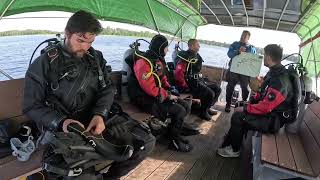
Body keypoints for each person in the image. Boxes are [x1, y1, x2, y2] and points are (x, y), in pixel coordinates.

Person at [23, 10, 155, 179]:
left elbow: (107, 89)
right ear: (67, 33)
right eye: (80, 40)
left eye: (90, 42)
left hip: (97, 120)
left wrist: (100, 114)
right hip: (65, 127)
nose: (85, 47)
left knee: (145, 142)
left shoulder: (95, 57)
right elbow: (31, 106)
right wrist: (61, 122)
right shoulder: (43, 63)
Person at [217, 44, 298, 158]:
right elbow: (263, 91)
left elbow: (266, 107)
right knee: (240, 104)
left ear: (269, 57)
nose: (263, 58)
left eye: (264, 56)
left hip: (273, 120)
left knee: (238, 117)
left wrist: (246, 108)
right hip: (269, 113)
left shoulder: (280, 81)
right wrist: (250, 101)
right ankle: (233, 138)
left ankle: (235, 150)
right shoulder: (273, 72)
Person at [127, 34, 193, 152]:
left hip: (154, 95)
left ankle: (173, 132)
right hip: (142, 98)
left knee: (185, 105)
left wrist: (170, 89)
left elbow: (162, 78)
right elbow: (150, 88)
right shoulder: (143, 62)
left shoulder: (156, 60)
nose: (167, 50)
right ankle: (174, 141)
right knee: (179, 110)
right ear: (160, 48)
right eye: (166, 47)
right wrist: (168, 95)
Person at [174, 39, 221, 120]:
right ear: (191, 46)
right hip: (189, 84)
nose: (199, 46)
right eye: (197, 45)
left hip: (197, 80)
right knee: (210, 94)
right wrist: (185, 86)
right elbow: (178, 74)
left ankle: (207, 108)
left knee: (217, 88)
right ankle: (203, 112)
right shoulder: (184, 57)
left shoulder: (196, 56)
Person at [225, 30, 256, 112]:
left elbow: (254, 59)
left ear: (248, 38)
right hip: (233, 70)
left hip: (245, 72)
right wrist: (238, 51)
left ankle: (243, 103)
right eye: (242, 35)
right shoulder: (235, 44)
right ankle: (228, 104)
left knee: (245, 88)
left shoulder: (252, 48)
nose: (242, 37)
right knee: (230, 87)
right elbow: (229, 54)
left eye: (245, 36)